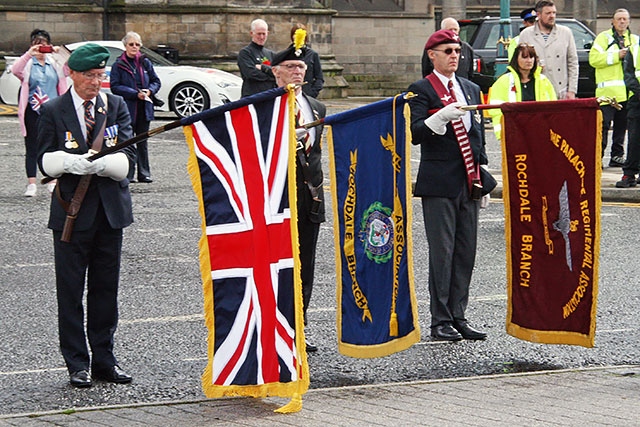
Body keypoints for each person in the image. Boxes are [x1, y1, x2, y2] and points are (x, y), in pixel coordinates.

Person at [37, 43, 135, 388]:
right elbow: (41, 160)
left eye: (100, 75)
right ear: (72, 74)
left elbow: (129, 159)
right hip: (71, 215)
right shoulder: (53, 110)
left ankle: (105, 361)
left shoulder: (117, 105)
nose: (96, 82)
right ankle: (77, 363)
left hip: (110, 213)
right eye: (90, 76)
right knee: (70, 291)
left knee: (106, 291)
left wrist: (107, 164)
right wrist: (66, 162)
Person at [408, 29, 490, 342]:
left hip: (468, 181)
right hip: (439, 182)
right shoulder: (422, 89)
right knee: (442, 253)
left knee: (465, 252)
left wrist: (481, 174)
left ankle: (459, 316)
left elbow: (476, 136)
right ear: (432, 55)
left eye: (457, 51)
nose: (454, 56)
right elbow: (415, 132)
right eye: (447, 51)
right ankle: (439, 320)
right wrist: (438, 118)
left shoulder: (470, 88)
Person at [271, 29, 326, 352]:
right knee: (278, 263)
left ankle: (298, 329)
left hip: (309, 196)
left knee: (305, 263)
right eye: (290, 67)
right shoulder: (265, 105)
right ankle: (275, 326)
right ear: (276, 72)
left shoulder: (316, 107)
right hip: (276, 195)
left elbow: (316, 155)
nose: (297, 72)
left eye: (301, 67)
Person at [12, 29, 68, 197]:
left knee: (52, 146)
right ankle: (31, 183)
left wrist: (60, 53)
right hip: (32, 111)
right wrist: (30, 54)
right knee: (32, 147)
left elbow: (71, 67)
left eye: (44, 45)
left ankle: (52, 180)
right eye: (37, 44)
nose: (41, 48)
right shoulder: (28, 65)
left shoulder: (54, 64)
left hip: (52, 111)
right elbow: (16, 70)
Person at [110, 31, 161, 183]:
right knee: (127, 141)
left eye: (137, 44)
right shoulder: (118, 65)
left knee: (142, 141)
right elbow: (115, 86)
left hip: (144, 107)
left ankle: (144, 173)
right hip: (128, 107)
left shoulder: (145, 62)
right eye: (131, 44)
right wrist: (134, 93)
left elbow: (156, 81)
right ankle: (128, 173)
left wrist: (150, 90)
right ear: (125, 46)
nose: (134, 47)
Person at [590, 9, 638, 168]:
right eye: (619, 19)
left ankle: (617, 156)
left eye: (625, 19)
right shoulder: (603, 38)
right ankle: (598, 157)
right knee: (603, 126)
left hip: (627, 93)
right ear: (613, 21)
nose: (622, 22)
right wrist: (617, 55)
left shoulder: (634, 40)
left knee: (622, 127)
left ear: (629, 21)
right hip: (608, 94)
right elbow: (594, 59)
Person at [489, 43, 557, 140]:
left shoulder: (544, 81)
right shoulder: (504, 81)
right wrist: (503, 134)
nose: (529, 61)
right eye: (525, 57)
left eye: (531, 57)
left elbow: (554, 108)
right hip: (515, 134)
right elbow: (496, 110)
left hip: (541, 133)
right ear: (516, 59)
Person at [518, 0, 578, 100]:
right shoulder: (526, 34)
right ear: (539, 14)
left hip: (561, 90)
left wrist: (572, 90)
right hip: (536, 90)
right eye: (548, 13)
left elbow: (573, 62)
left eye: (554, 13)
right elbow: (520, 61)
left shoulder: (565, 33)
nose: (552, 16)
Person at [615, 41, 640, 188]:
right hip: (637, 100)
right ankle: (629, 174)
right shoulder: (635, 49)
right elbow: (628, 75)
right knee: (634, 138)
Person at [237, 18, 276, 97]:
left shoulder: (271, 54)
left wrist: (263, 68)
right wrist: (271, 75)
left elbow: (278, 73)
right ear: (251, 33)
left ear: (267, 33)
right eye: (259, 34)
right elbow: (250, 74)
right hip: (252, 98)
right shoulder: (245, 53)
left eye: (264, 34)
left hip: (270, 98)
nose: (261, 37)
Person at [290, 23, 324, 98]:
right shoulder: (286, 54)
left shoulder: (312, 55)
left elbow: (319, 77)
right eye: (295, 35)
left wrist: (313, 93)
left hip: (307, 94)